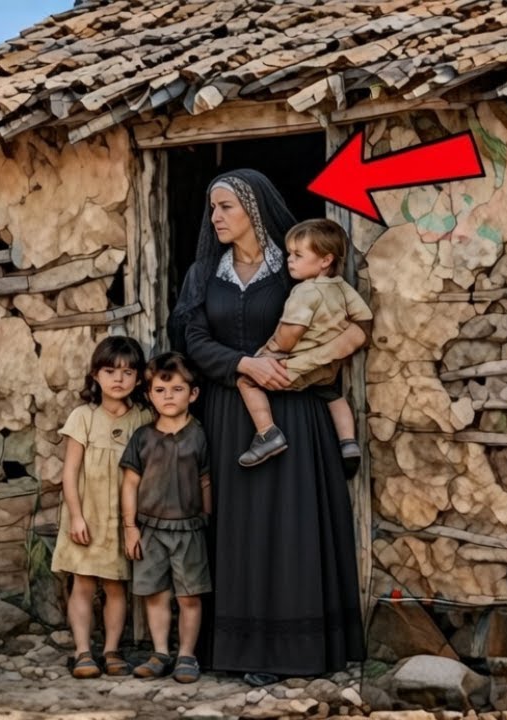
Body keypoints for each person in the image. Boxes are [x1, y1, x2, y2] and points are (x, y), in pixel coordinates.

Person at [167, 169, 367, 686]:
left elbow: (341, 327)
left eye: (225, 207)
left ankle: (296, 650)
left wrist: (302, 364)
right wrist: (243, 365)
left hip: (294, 412)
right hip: (231, 414)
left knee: (289, 527)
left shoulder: (293, 268)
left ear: (253, 210)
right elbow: (191, 336)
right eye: (212, 208)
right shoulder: (203, 274)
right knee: (238, 530)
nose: (215, 218)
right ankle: (238, 648)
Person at [236, 219, 373, 473]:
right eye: (290, 253)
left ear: (325, 260)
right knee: (332, 394)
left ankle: (267, 434)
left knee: (246, 380)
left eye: (298, 255)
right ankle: (348, 442)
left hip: (294, 365)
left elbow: (290, 333)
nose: (290, 260)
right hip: (328, 367)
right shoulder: (342, 288)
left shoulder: (304, 292)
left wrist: (272, 352)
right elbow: (364, 317)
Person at [51, 335, 151, 679]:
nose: (118, 379)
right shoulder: (84, 416)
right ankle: (82, 651)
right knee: (83, 583)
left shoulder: (142, 418)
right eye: (110, 371)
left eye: (127, 372)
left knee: (115, 585)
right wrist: (76, 516)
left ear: (139, 378)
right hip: (88, 515)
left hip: (121, 517)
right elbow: (70, 472)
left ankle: (111, 650)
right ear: (96, 375)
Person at [120, 352, 212, 684]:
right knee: (155, 593)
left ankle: (187, 655)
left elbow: (206, 481)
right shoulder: (142, 437)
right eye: (160, 390)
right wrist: (130, 528)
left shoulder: (200, 435)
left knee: (189, 594)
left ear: (193, 394)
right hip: (149, 528)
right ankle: (160, 652)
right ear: (148, 395)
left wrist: (208, 518)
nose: (168, 397)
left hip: (189, 529)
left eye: (176, 389)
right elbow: (130, 484)